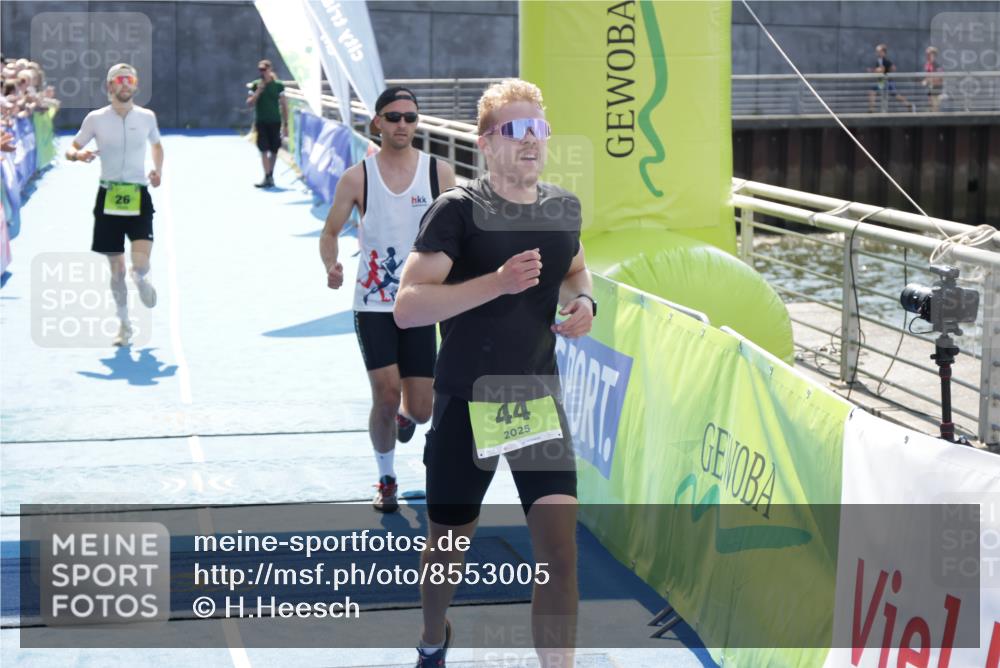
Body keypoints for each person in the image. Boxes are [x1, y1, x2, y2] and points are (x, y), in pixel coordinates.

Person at [394, 78, 595, 668]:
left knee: (559, 552)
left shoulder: (563, 208)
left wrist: (584, 305)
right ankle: (434, 633)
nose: (530, 141)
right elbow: (408, 305)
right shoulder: (458, 211)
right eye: (515, 130)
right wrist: (496, 283)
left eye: (538, 129)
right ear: (486, 143)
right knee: (450, 544)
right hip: (465, 399)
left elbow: (576, 270)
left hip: (533, 395)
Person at [320, 86, 455, 513]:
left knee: (421, 410)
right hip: (373, 304)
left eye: (411, 118)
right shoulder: (357, 177)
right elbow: (330, 232)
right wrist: (331, 264)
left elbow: (460, 235)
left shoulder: (440, 173)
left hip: (419, 304)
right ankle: (386, 477)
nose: (402, 125)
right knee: (384, 391)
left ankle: (402, 417)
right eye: (394, 117)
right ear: (377, 121)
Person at [66, 63, 163, 347]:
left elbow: (157, 146)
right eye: (119, 80)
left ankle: (142, 279)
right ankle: (124, 325)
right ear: (109, 87)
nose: (124, 84)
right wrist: (78, 155)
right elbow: (71, 148)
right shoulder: (95, 119)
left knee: (140, 264)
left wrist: (157, 171)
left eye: (129, 80)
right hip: (108, 196)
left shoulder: (146, 117)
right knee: (116, 270)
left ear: (136, 86)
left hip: (138, 194)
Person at [246, 59, 287, 188]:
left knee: (274, 150)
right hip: (262, 121)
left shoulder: (278, 85)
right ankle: (267, 176)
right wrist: (258, 91)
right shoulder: (255, 84)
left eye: (264, 69)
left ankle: (270, 175)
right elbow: (250, 103)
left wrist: (285, 124)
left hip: (275, 121)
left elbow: (284, 104)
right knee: (263, 149)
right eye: (260, 70)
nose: (262, 72)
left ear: (270, 69)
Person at [867, 43, 914, 113]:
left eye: (879, 51)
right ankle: (871, 109)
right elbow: (880, 70)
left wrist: (875, 70)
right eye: (877, 51)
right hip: (882, 82)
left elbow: (886, 69)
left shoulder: (885, 61)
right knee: (874, 92)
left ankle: (909, 105)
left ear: (883, 52)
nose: (877, 53)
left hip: (886, 82)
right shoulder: (879, 61)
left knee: (895, 94)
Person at [922, 46, 944, 113]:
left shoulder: (937, 65)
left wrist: (929, 80)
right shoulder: (927, 64)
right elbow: (927, 75)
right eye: (927, 54)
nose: (927, 56)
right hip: (930, 88)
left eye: (929, 54)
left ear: (933, 55)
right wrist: (925, 80)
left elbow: (940, 78)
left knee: (935, 107)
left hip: (936, 89)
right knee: (930, 106)